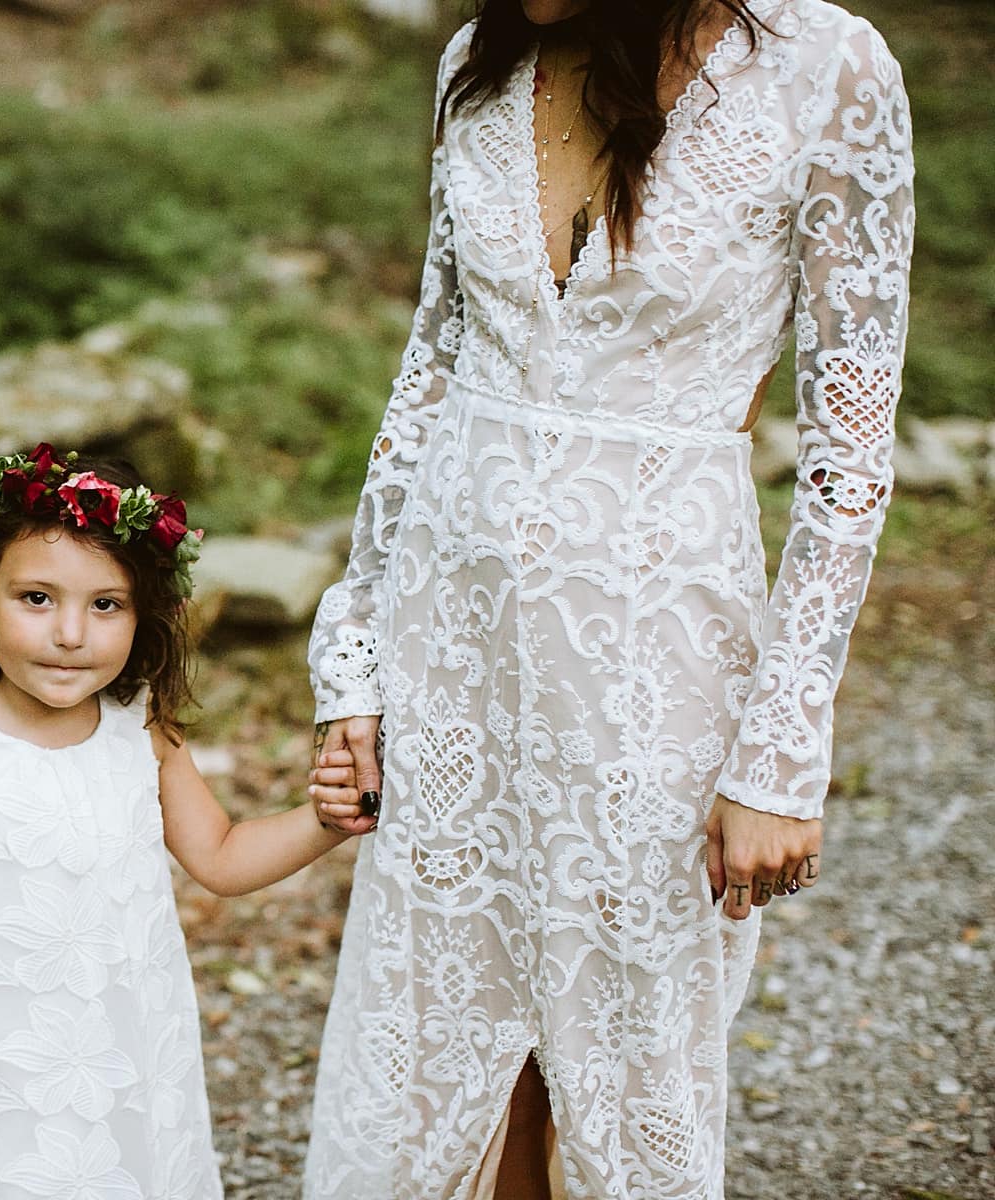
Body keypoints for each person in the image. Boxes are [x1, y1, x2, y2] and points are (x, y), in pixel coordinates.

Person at [302, 0, 914, 1195]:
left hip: (659, 654)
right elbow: (432, 371)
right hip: (453, 640)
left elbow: (850, 457)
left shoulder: (827, 69)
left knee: (629, 1061)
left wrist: (781, 751)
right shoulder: (474, 68)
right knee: (442, 1040)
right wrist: (357, 655)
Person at [0, 444, 361, 1197]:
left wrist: (326, 820)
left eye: (105, 605)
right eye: (36, 599)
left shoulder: (141, 727)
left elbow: (220, 856)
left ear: (141, 616)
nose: (70, 634)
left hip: (127, 1045)